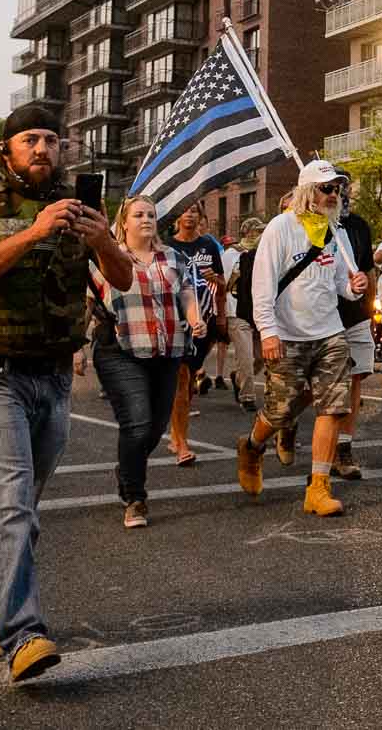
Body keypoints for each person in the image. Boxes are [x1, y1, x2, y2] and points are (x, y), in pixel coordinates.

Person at [0, 103, 132, 682]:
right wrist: (35, 231)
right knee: (14, 500)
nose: (43, 149)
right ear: (7, 150)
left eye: (52, 140)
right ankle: (22, 635)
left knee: (18, 508)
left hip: (53, 375)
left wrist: (103, 239)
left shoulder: (84, 205)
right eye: (30, 139)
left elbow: (122, 278)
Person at [237, 160, 367, 517]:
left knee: (334, 408)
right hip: (287, 334)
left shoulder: (336, 231)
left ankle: (318, 488)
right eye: (327, 188)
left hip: (330, 333)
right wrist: (268, 332)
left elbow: (343, 283)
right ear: (308, 191)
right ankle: (251, 446)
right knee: (281, 411)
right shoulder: (281, 227)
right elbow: (261, 284)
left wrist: (355, 289)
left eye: (337, 189)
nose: (333, 195)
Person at [90, 193, 201, 529]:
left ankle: (128, 467)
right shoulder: (108, 257)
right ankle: (135, 498)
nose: (146, 220)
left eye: (151, 215)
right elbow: (88, 300)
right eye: (138, 215)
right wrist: (76, 349)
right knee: (137, 423)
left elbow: (186, 293)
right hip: (120, 350)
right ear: (124, 222)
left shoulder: (172, 257)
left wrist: (195, 318)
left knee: (153, 429)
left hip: (167, 351)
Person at [166, 202, 226, 466]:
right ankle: (181, 443)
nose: (189, 214)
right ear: (177, 216)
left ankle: (175, 431)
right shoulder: (167, 247)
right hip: (178, 322)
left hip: (205, 321)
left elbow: (223, 284)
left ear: (201, 217)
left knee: (189, 383)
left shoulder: (209, 246)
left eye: (195, 211)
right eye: (185, 209)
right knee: (181, 377)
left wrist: (221, 316)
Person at [331, 181, 377, 481]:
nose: (340, 194)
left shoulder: (359, 227)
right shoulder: (313, 227)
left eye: (344, 188)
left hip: (356, 315)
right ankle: (287, 425)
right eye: (333, 188)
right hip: (323, 317)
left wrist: (370, 306)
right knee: (321, 387)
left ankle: (343, 447)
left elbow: (368, 268)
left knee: (356, 379)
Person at [222, 217, 265, 412]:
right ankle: (247, 396)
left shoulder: (264, 253)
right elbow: (221, 284)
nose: (261, 235)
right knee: (246, 357)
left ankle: (238, 376)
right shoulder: (231, 254)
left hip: (258, 311)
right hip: (236, 310)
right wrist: (220, 313)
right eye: (257, 231)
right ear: (248, 233)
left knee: (261, 357)